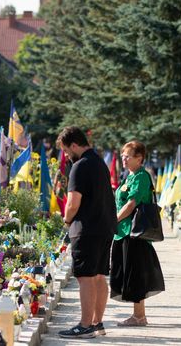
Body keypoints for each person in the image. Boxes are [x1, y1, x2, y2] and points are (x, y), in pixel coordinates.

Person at [56, 127, 117, 339]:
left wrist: (66, 220)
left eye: (66, 150)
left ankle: (84, 325)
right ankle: (97, 323)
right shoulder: (99, 162)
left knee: (85, 278)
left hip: (86, 229)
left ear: (74, 145)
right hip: (105, 227)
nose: (66, 155)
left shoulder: (79, 166)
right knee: (99, 276)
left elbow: (73, 202)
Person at [110, 140, 165, 326]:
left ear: (139, 158)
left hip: (134, 233)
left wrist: (114, 219)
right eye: (123, 155)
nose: (123, 159)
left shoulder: (142, 176)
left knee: (135, 274)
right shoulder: (129, 176)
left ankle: (139, 316)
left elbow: (132, 203)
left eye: (128, 156)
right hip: (123, 233)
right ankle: (138, 315)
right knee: (130, 274)